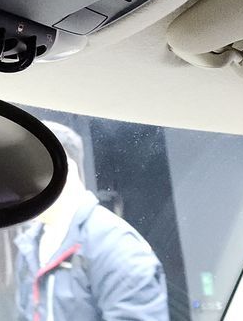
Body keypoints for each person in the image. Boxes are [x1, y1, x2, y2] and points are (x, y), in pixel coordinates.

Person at [15, 121, 169, 321]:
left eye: (27, 168)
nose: (17, 182)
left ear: (65, 168)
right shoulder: (29, 246)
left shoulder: (116, 246)